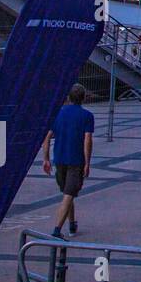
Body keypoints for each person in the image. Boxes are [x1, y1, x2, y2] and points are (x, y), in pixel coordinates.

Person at [41, 84, 94, 239]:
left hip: (59, 159)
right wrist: (87, 163)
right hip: (76, 160)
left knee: (67, 193)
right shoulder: (87, 116)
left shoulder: (58, 114)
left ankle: (72, 224)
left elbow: (47, 137)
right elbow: (87, 140)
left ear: (68, 98)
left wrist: (45, 159)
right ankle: (57, 230)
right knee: (69, 194)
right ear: (83, 98)